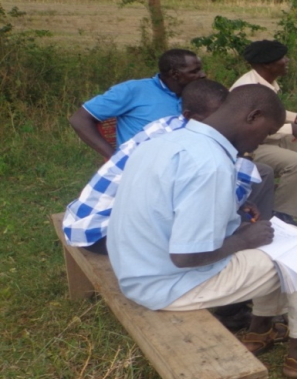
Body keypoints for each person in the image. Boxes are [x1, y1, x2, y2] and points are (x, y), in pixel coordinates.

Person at [107, 84, 297, 378]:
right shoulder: (210, 164)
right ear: (252, 117)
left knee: (276, 247)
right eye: (266, 133)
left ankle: (260, 330)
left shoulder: (166, 141)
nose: (261, 142)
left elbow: (170, 209)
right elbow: (186, 255)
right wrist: (242, 239)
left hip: (135, 268)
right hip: (168, 284)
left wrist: (233, 214)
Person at [63, 79, 274, 254]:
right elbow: (200, 229)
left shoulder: (166, 125)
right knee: (232, 238)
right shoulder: (201, 151)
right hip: (106, 234)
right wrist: (240, 228)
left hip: (84, 220)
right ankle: (227, 303)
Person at [232, 40, 297, 223]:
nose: (287, 61)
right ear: (267, 65)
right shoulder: (247, 89)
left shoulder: (268, 82)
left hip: (271, 137)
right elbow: (251, 125)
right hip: (252, 146)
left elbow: (268, 113)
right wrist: (291, 128)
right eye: (282, 58)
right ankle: (282, 214)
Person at [69, 49, 205, 158]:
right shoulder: (134, 90)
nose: (203, 75)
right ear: (175, 74)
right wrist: (116, 159)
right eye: (195, 71)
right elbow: (80, 119)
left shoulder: (196, 95)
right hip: (140, 170)